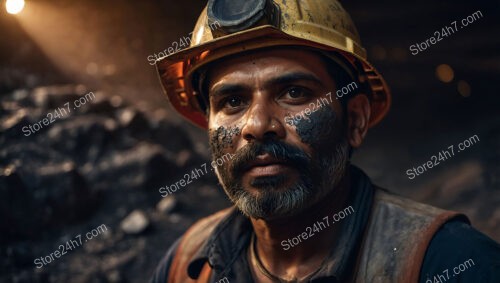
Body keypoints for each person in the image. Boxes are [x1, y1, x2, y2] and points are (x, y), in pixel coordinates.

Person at [150, 0, 500, 282]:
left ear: (356, 120)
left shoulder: (451, 262)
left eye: (294, 92)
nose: (257, 125)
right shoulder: (187, 265)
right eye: (232, 101)